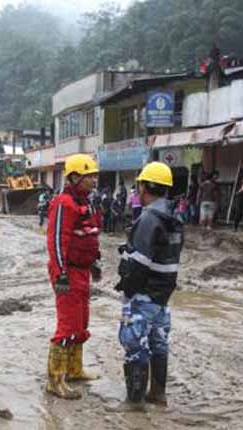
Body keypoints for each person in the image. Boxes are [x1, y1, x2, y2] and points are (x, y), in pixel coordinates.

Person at [115, 161, 183, 408]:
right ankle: (157, 394)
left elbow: (139, 265)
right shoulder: (173, 218)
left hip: (143, 295)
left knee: (133, 343)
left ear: (144, 187)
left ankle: (134, 404)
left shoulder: (149, 219)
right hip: (162, 298)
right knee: (158, 344)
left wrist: (127, 290)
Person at [45, 154, 103, 399]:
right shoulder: (63, 204)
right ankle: (55, 379)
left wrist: (95, 262)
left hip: (82, 271)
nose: (93, 180)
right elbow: (57, 242)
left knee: (81, 323)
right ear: (75, 177)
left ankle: (74, 370)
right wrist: (61, 275)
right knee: (68, 325)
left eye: (94, 176)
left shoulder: (86, 203)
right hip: (67, 272)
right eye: (89, 176)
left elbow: (89, 234)